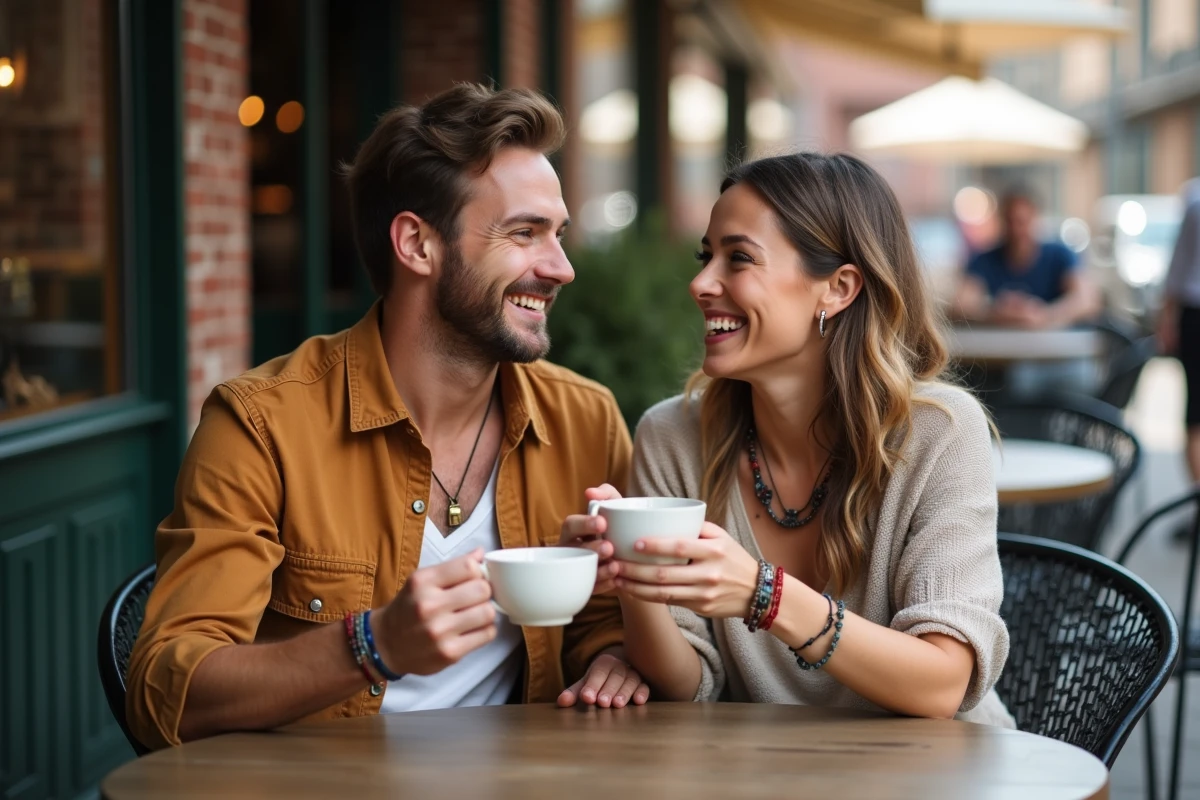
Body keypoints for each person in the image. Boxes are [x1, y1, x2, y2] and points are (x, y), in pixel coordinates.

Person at [125, 84, 647, 751]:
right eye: (524, 233)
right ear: (417, 245)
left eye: (560, 235)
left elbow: (600, 625)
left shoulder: (584, 419)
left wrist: (610, 656)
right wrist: (372, 646)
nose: (562, 268)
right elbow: (164, 692)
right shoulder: (262, 425)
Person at [563, 152, 1013, 725]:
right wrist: (631, 575)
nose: (701, 283)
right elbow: (689, 683)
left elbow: (942, 683)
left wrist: (764, 594)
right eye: (706, 257)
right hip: (767, 776)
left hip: (937, 777)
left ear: (838, 288)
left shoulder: (939, 433)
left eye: (739, 258)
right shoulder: (672, 434)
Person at [953, 187, 1100, 330]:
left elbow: (1087, 300)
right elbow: (960, 306)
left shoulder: (1060, 255)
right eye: (1010, 221)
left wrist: (1043, 315)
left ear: (1036, 219)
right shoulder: (983, 260)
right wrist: (997, 313)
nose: (1016, 230)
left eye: (1022, 221)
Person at [1158, 178, 1200, 497]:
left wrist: (1166, 319)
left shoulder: (1194, 197)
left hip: (1193, 313)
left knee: (1195, 415)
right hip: (1192, 313)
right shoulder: (1194, 197)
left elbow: (1176, 269)